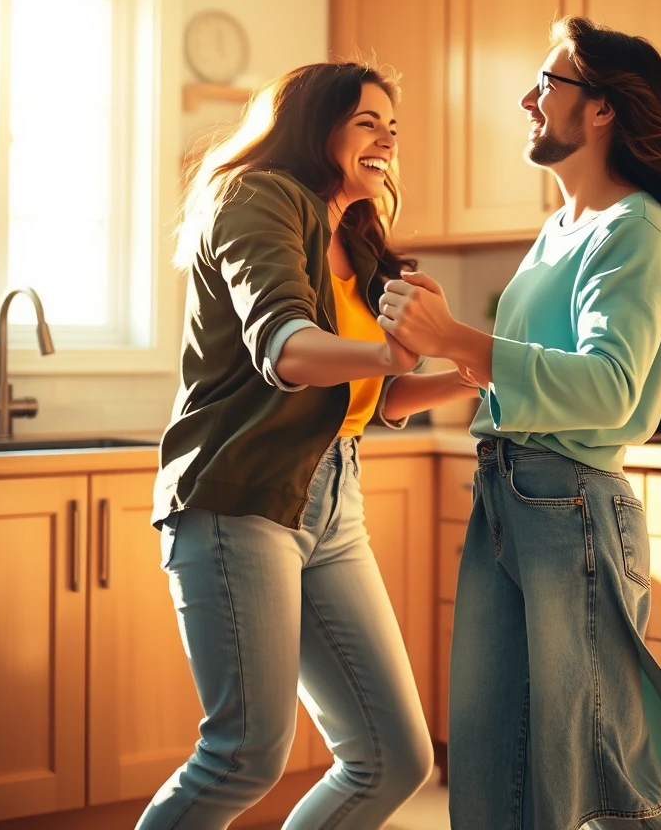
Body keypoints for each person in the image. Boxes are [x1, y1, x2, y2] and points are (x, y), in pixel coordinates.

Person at [378, 16, 661, 830]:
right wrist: (433, 356)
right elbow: (520, 368)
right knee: (494, 758)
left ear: (604, 107)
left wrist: (458, 339)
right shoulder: (560, 231)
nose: (526, 98)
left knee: (601, 772)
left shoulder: (636, 229)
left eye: (547, 83)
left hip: (571, 508)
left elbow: (609, 388)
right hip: (508, 496)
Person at [137, 61, 480, 830]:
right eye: (367, 121)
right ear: (311, 126)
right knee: (244, 753)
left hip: (332, 501)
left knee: (395, 755)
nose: (387, 138)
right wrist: (391, 353)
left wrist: (475, 376)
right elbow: (286, 348)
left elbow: (370, 396)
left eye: (393, 125)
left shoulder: (353, 236)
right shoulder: (258, 197)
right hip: (239, 498)